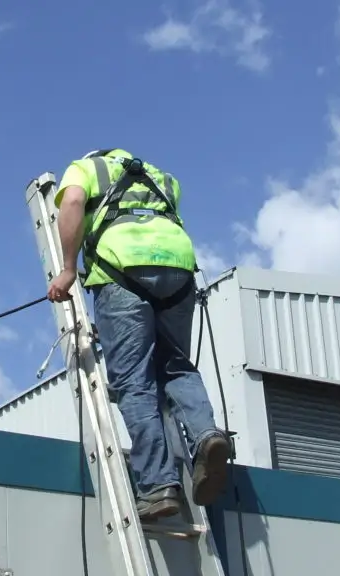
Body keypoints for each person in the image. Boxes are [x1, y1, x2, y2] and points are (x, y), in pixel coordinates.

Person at [46, 148, 232, 522]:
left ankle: (158, 486)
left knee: (134, 381)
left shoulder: (85, 168)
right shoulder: (161, 177)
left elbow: (74, 204)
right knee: (177, 366)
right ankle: (206, 436)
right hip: (178, 271)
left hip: (121, 270)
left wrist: (68, 268)